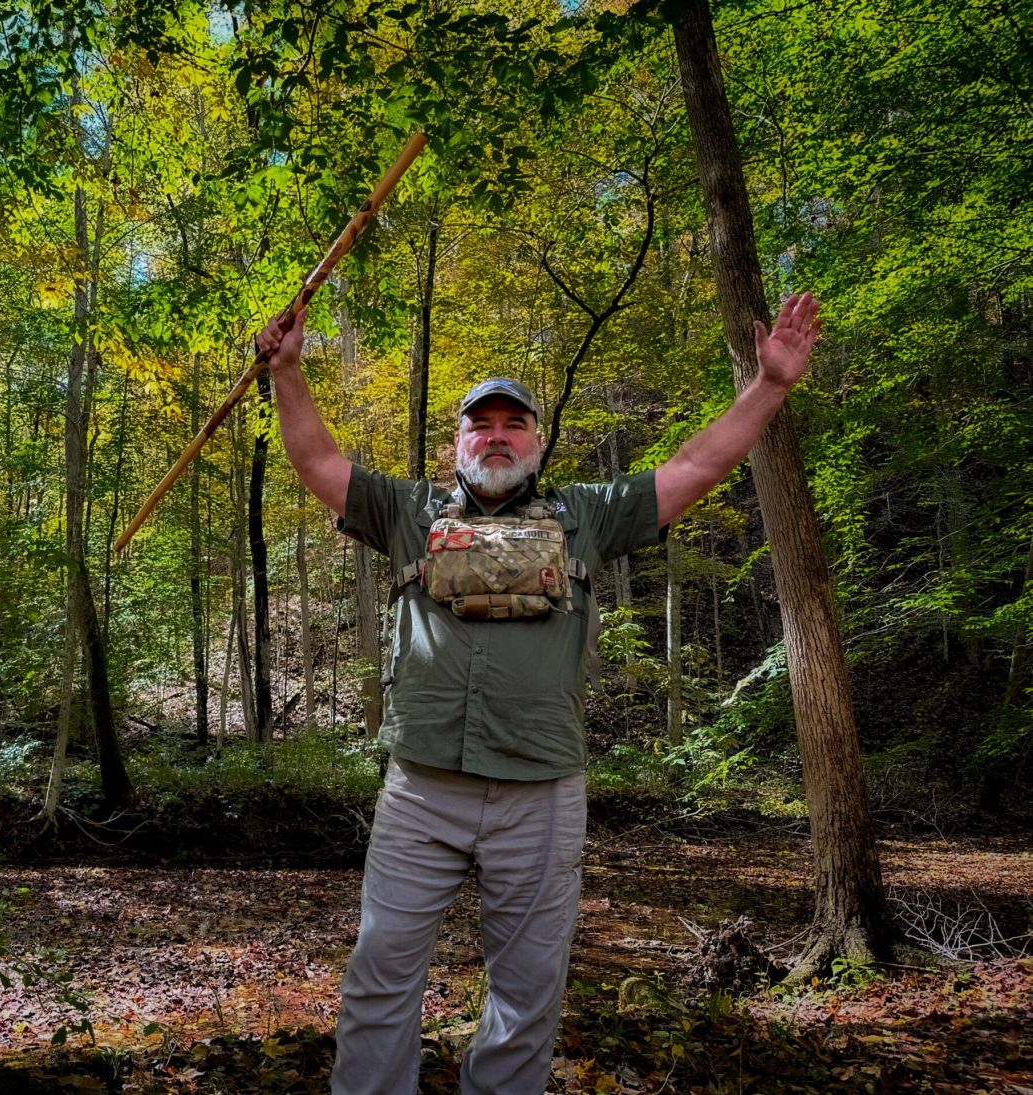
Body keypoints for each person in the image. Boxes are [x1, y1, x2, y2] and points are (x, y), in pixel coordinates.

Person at [255, 293, 822, 1095]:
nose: (496, 435)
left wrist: (769, 385)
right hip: (421, 789)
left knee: (526, 996)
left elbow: (697, 467)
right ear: (456, 442)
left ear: (537, 442)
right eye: (480, 424)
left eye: (513, 424)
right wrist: (286, 371)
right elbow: (317, 461)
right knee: (380, 975)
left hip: (542, 794)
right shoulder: (409, 511)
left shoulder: (587, 514)